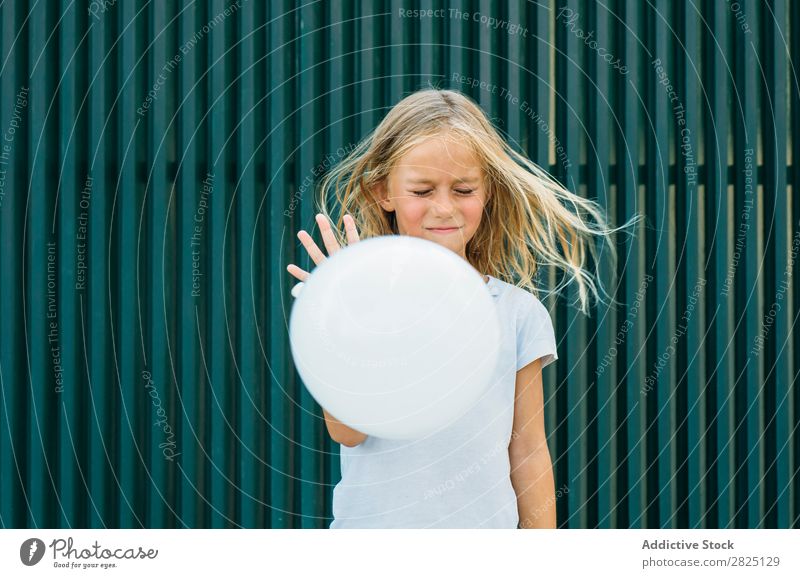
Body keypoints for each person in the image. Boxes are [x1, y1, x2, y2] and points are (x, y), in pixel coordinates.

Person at [286, 88, 635, 528]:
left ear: (487, 191)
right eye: (422, 189)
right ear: (382, 192)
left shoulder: (517, 312)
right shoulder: (351, 303)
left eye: (464, 189)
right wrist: (354, 315)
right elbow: (347, 432)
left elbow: (527, 448)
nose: (444, 207)